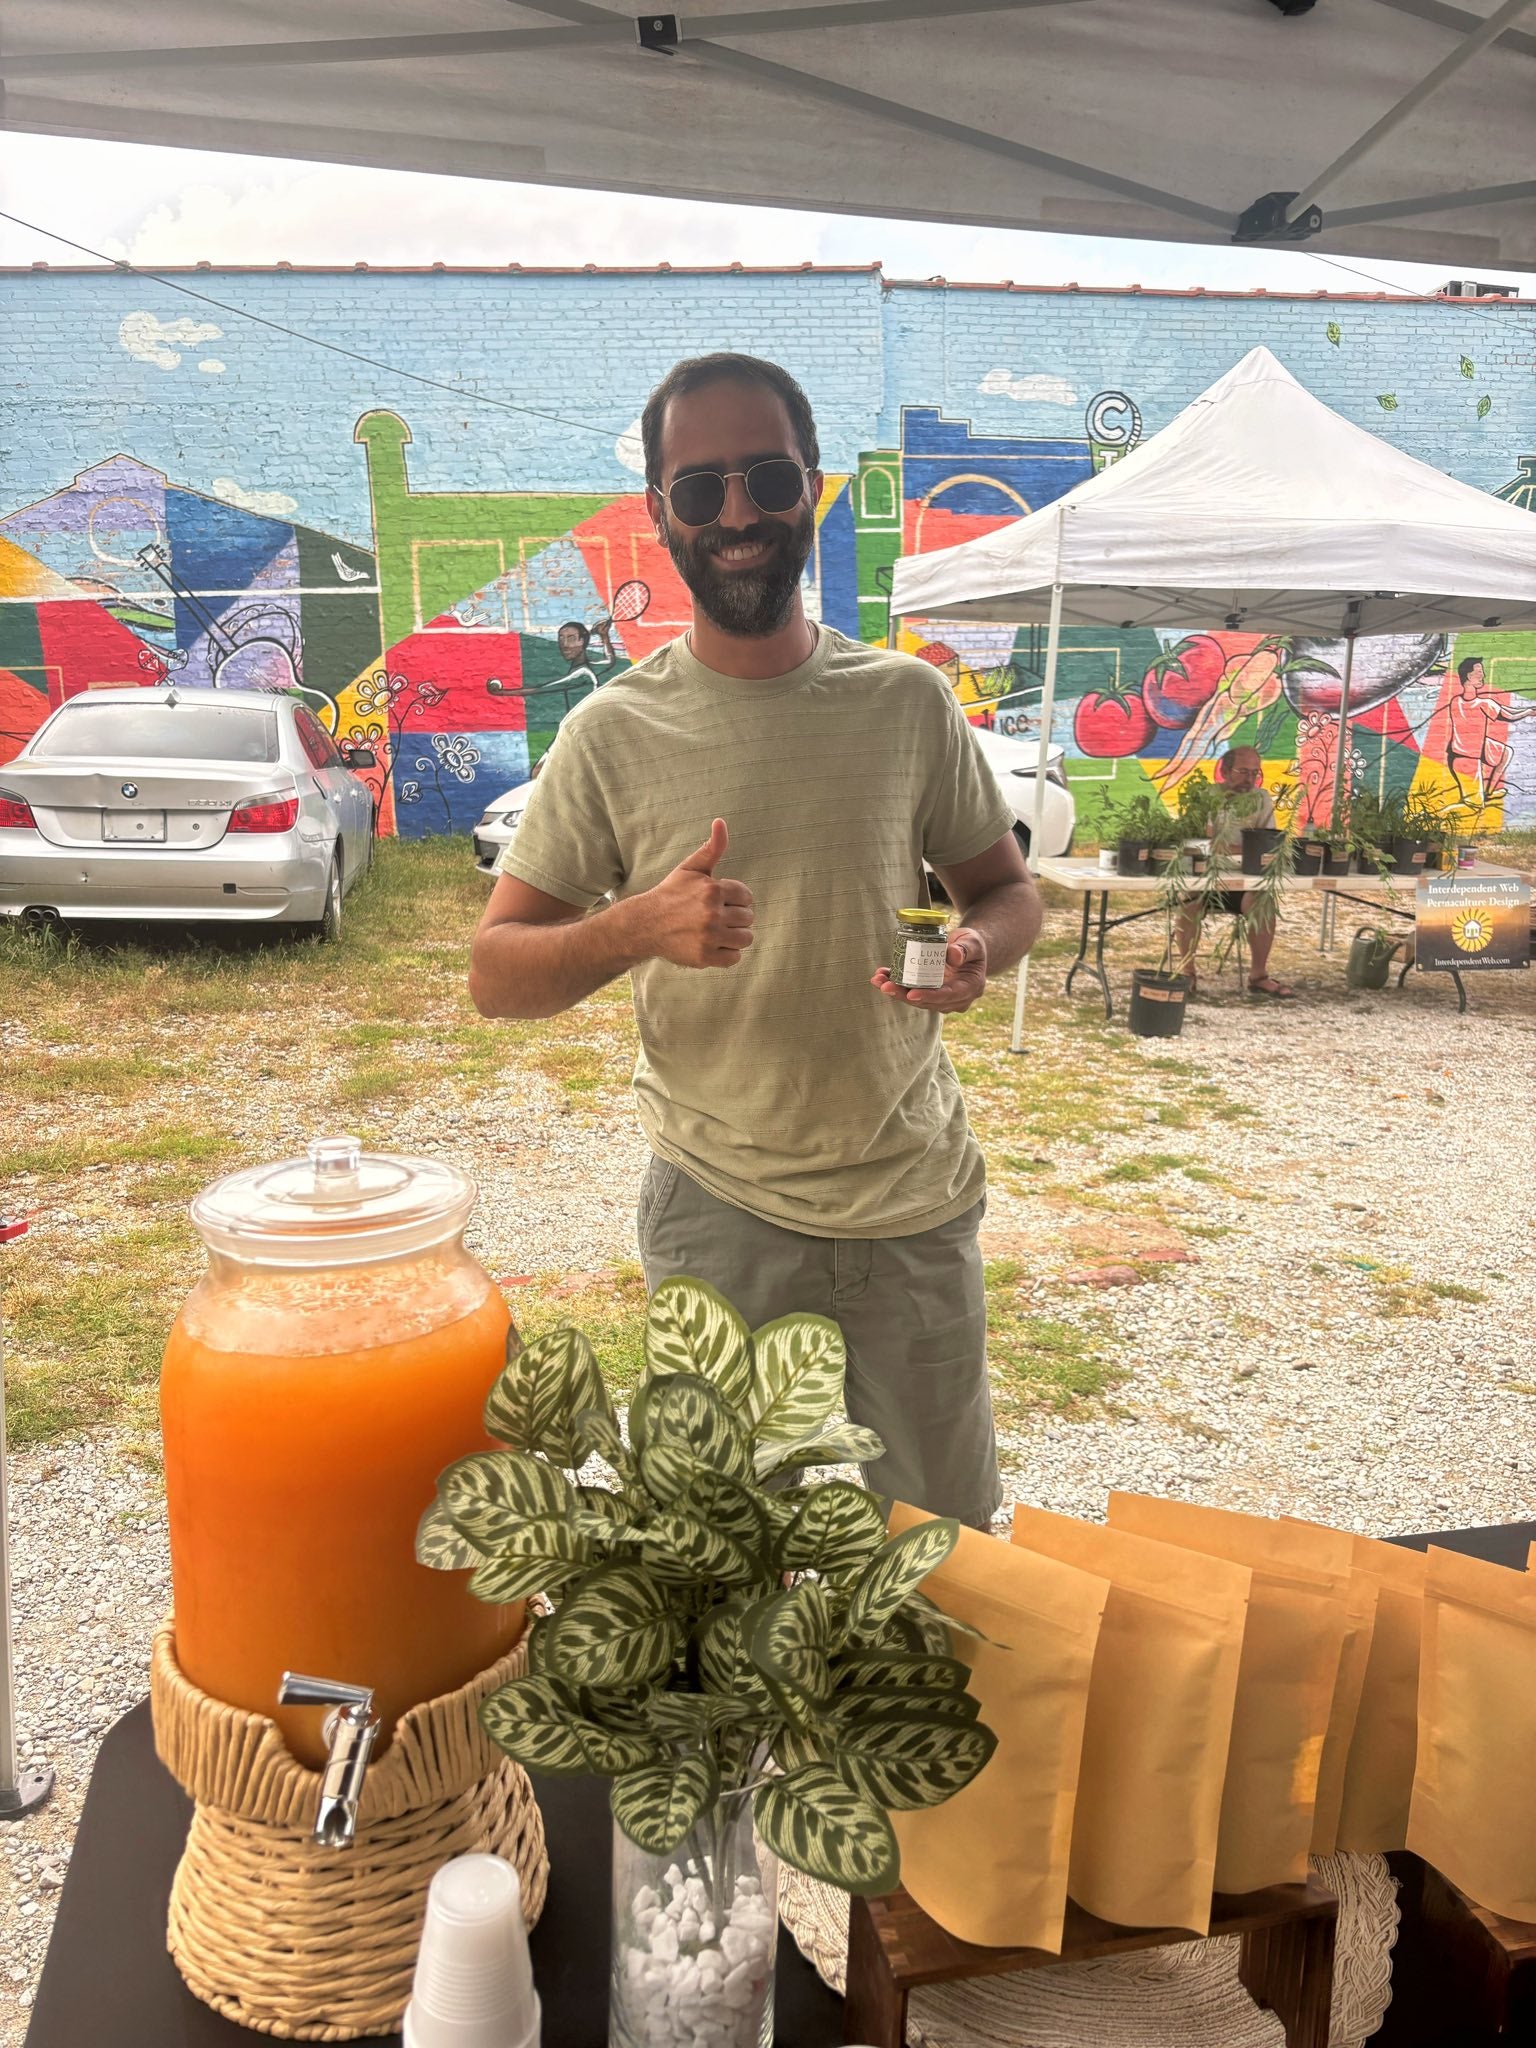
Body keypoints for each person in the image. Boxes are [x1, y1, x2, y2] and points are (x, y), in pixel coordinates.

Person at [469, 351, 1041, 1527]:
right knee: (724, 1568)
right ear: (661, 517)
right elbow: (497, 971)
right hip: (721, 1215)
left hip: (911, 1204)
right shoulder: (612, 731)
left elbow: (1009, 892)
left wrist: (982, 948)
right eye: (701, 487)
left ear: (813, 489)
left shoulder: (907, 703)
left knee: (944, 1553)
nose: (737, 513)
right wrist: (635, 925)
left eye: (767, 477)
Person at [1173, 744, 1294, 999]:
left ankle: (1258, 976)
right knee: (1189, 903)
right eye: (1243, 772)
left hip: (1245, 879)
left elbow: (1267, 843)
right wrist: (1243, 847)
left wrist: (1228, 847)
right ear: (1225, 771)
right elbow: (1201, 843)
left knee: (1262, 902)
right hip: (1207, 877)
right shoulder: (1208, 796)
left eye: (1254, 773)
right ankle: (1187, 972)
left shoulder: (1261, 799)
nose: (1249, 779)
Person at [1446, 656, 1536, 805]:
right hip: (1467, 760)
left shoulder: (1456, 701)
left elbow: (1504, 710)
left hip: (1462, 751)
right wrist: (1527, 712)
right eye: (1479, 672)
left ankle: (1488, 792)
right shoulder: (1483, 704)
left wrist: (1526, 709)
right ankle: (1426, 820)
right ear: (1469, 676)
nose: (1483, 676)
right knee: (1475, 807)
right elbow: (1508, 716)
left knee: (1505, 753)